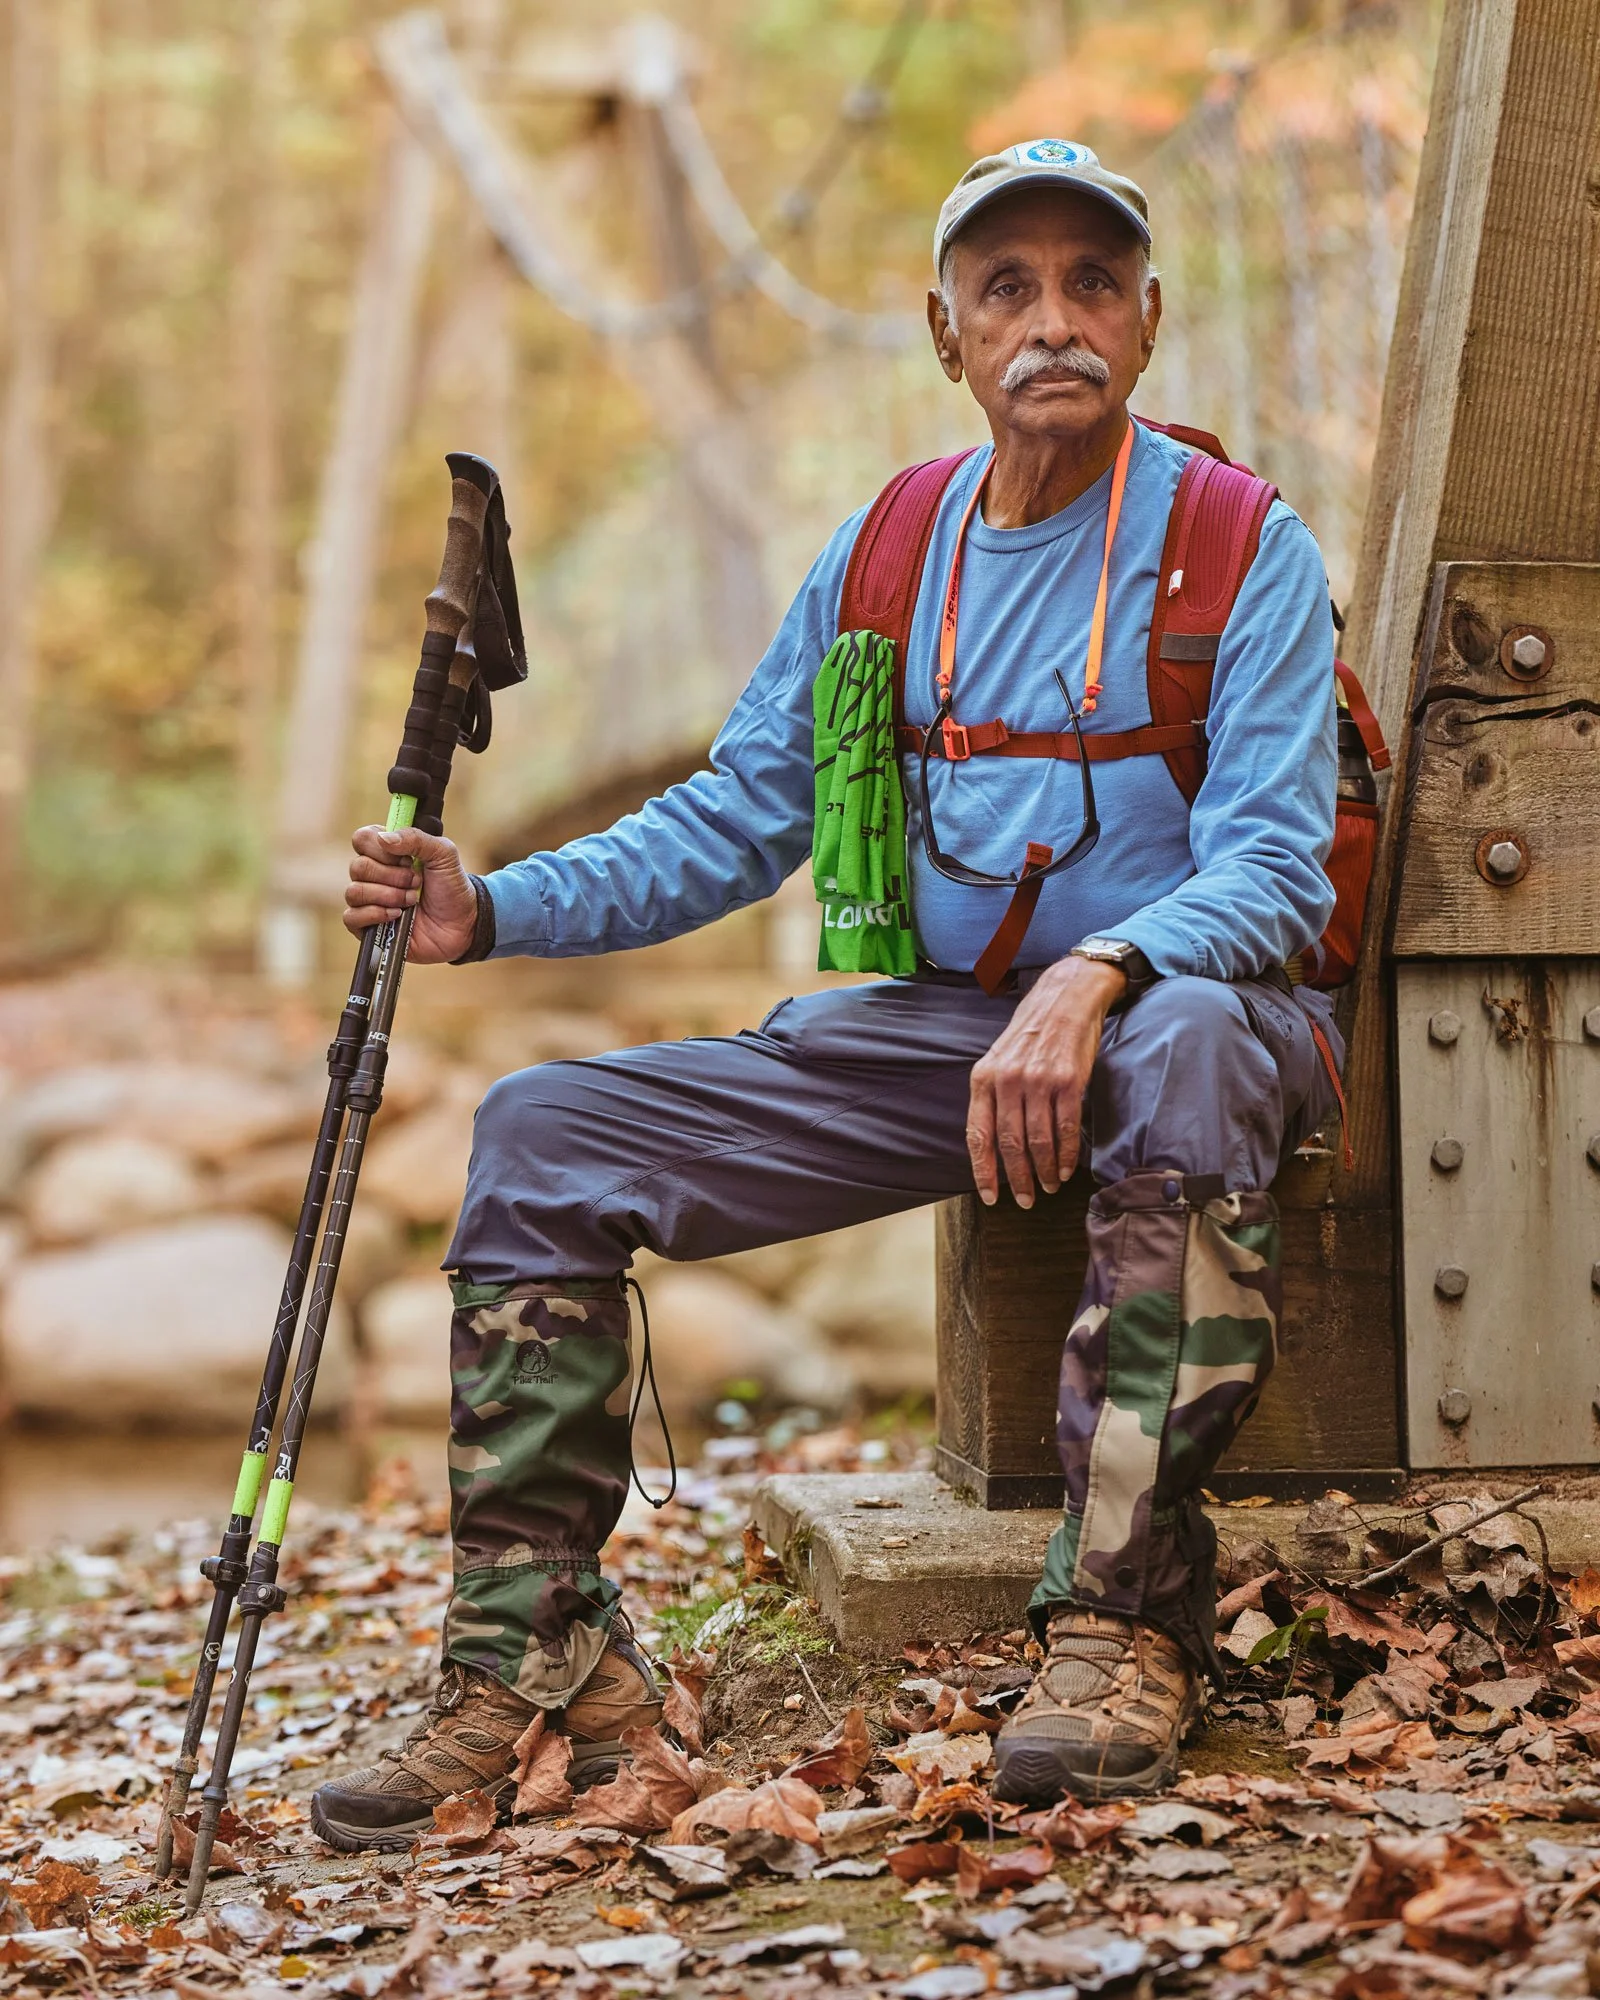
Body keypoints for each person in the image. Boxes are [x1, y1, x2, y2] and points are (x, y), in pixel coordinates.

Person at [310, 139, 1340, 1851]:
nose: (1053, 322)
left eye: (1094, 284)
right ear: (946, 336)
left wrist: (1097, 967)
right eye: (1005, 288)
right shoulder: (887, 557)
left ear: (1150, 322)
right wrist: (487, 907)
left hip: (1192, 1028)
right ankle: (535, 1662)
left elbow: (1276, 872)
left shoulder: (1242, 549)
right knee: (540, 1130)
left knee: (1189, 1030)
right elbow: (732, 819)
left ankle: (1119, 1621)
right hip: (950, 1036)